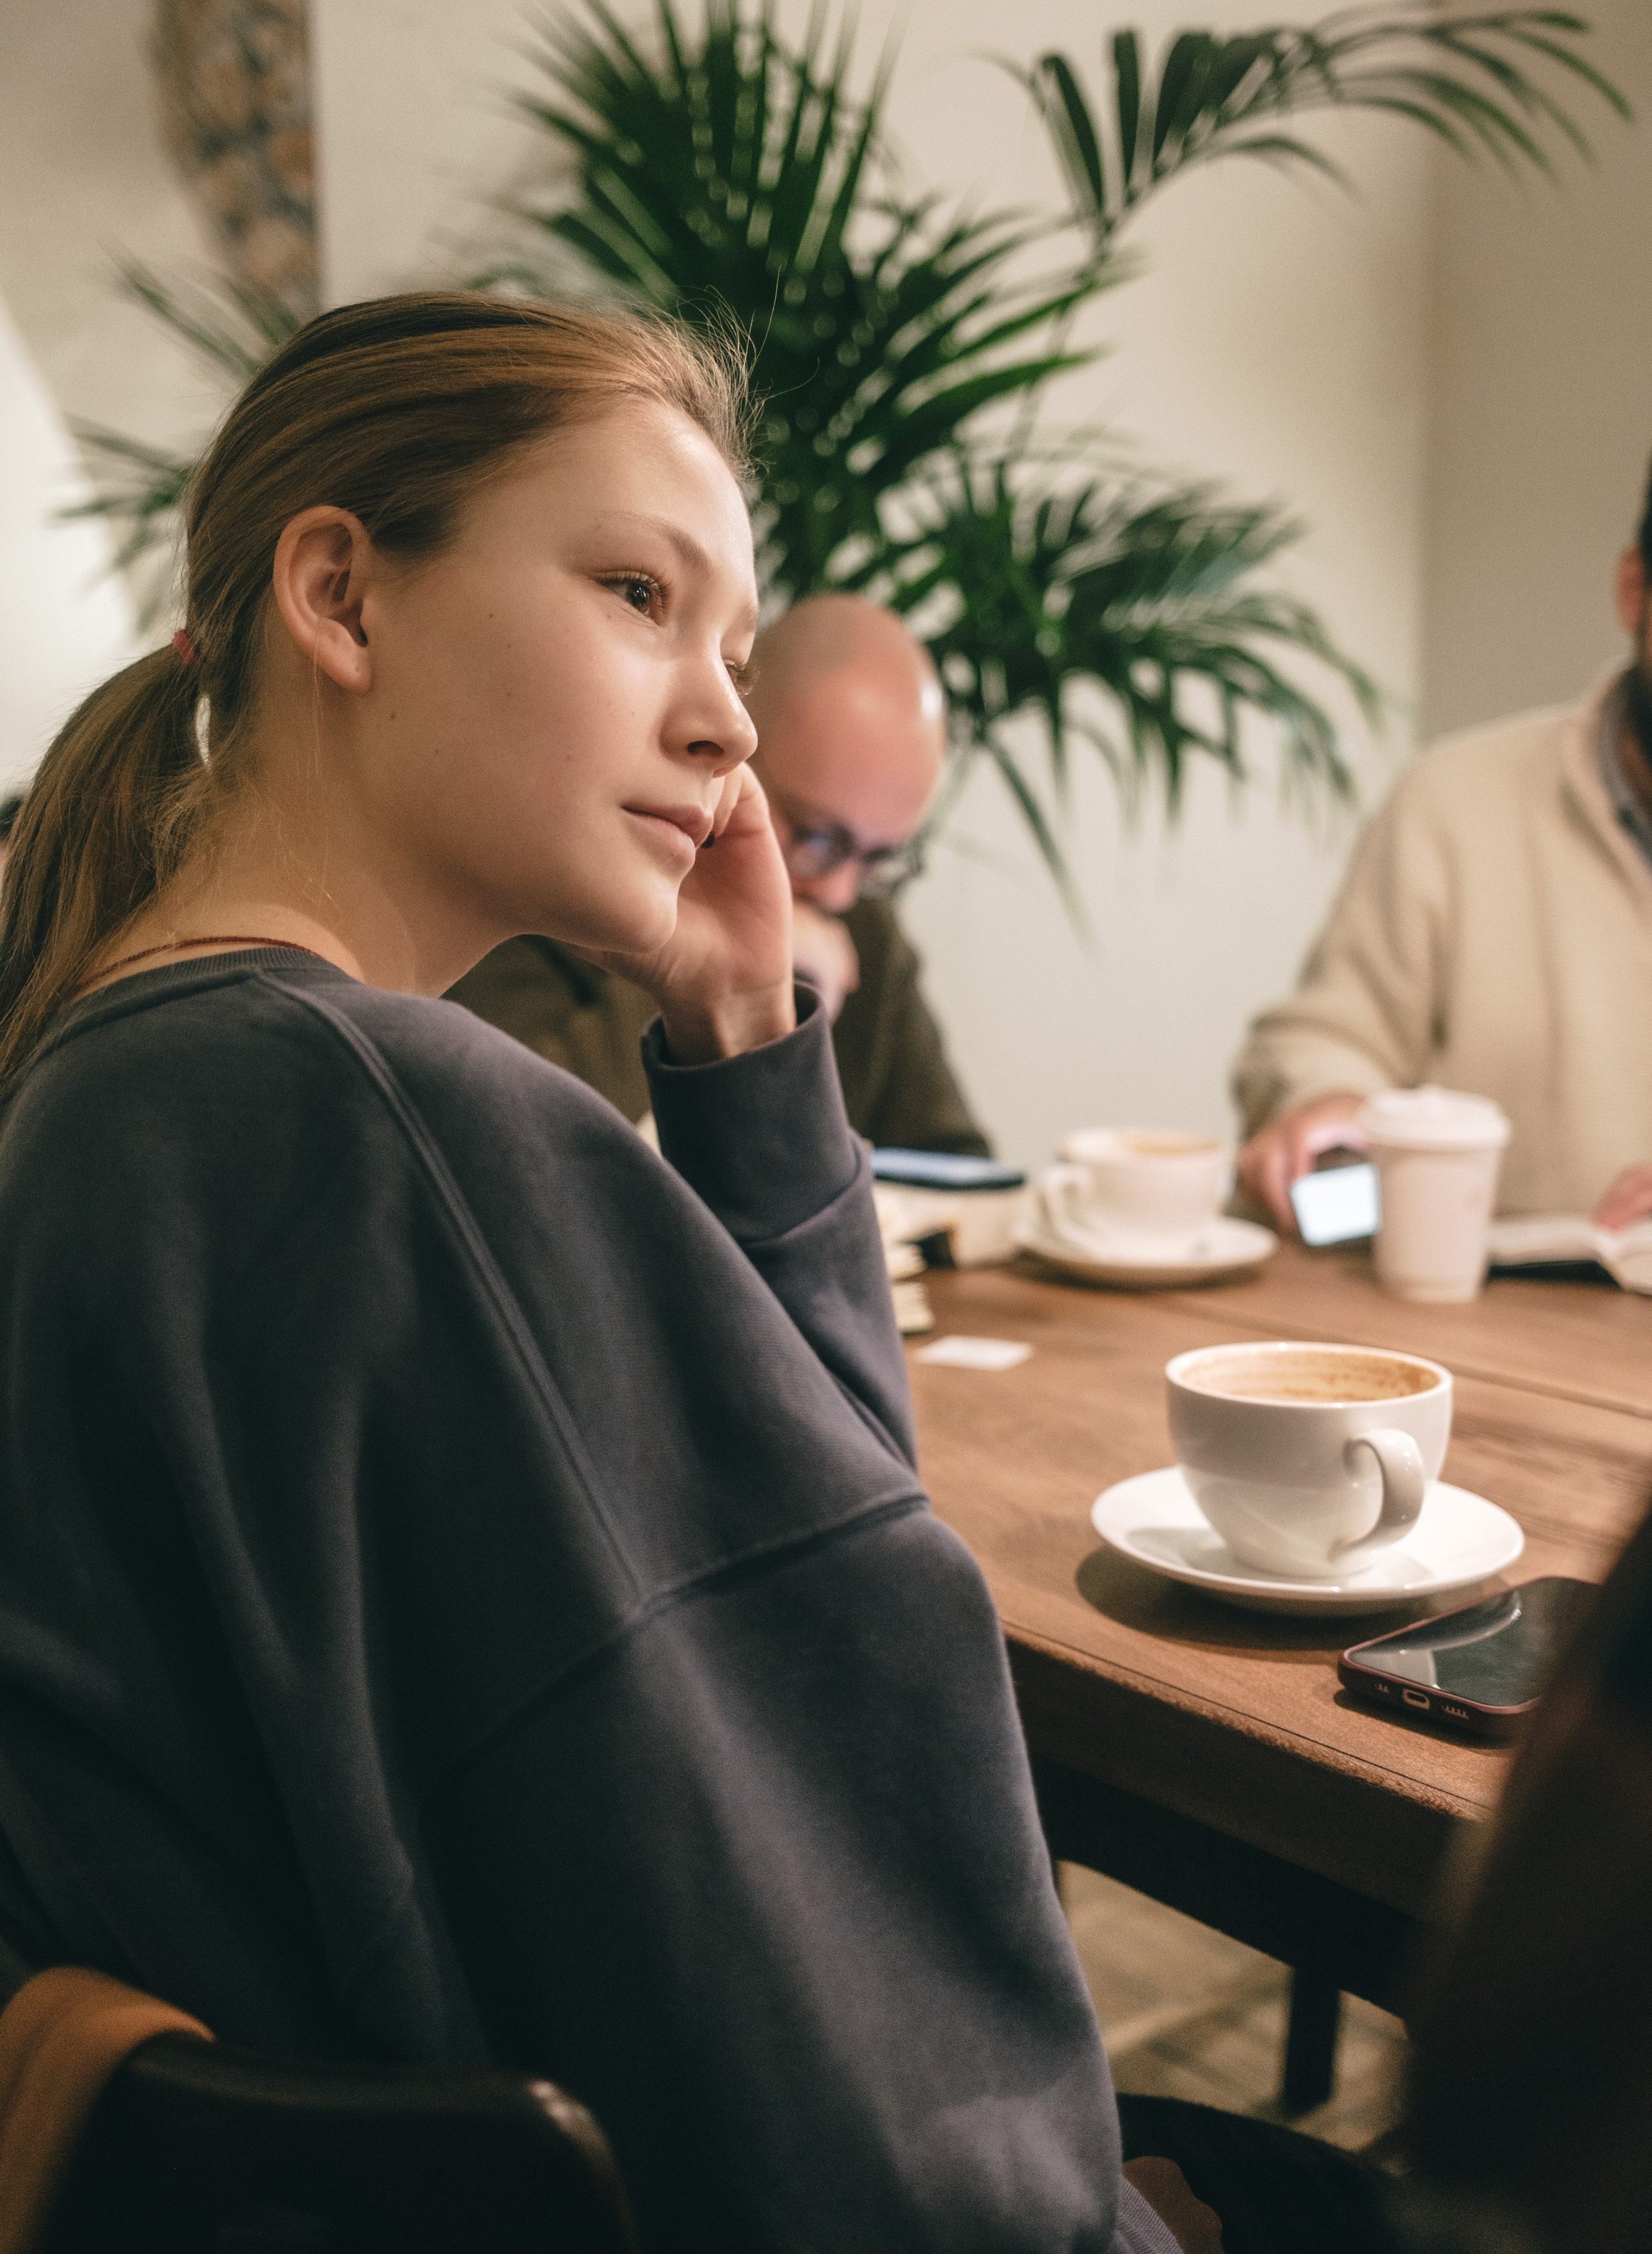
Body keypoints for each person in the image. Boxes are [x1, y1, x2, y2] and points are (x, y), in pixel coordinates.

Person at [0, 294, 1232, 2252]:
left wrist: (746, 1026)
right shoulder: (398, 1130)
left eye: (733, 647)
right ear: (341, 592)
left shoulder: (115, 1081)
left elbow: (788, 1643)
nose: (725, 719)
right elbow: (849, 1809)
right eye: (637, 591)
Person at [1235, 459, 1652, 1231]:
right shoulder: (1454, 800)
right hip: (1469, 1319)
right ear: (1634, 591)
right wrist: (1328, 1102)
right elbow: (1329, 1037)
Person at [448, 593, 991, 1154]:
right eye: (816, 836)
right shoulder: (551, 885)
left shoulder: (860, 931)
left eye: (878, 858)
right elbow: (487, 1141)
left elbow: (961, 1167)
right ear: (725, 751)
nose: (840, 888)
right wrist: (713, 981)